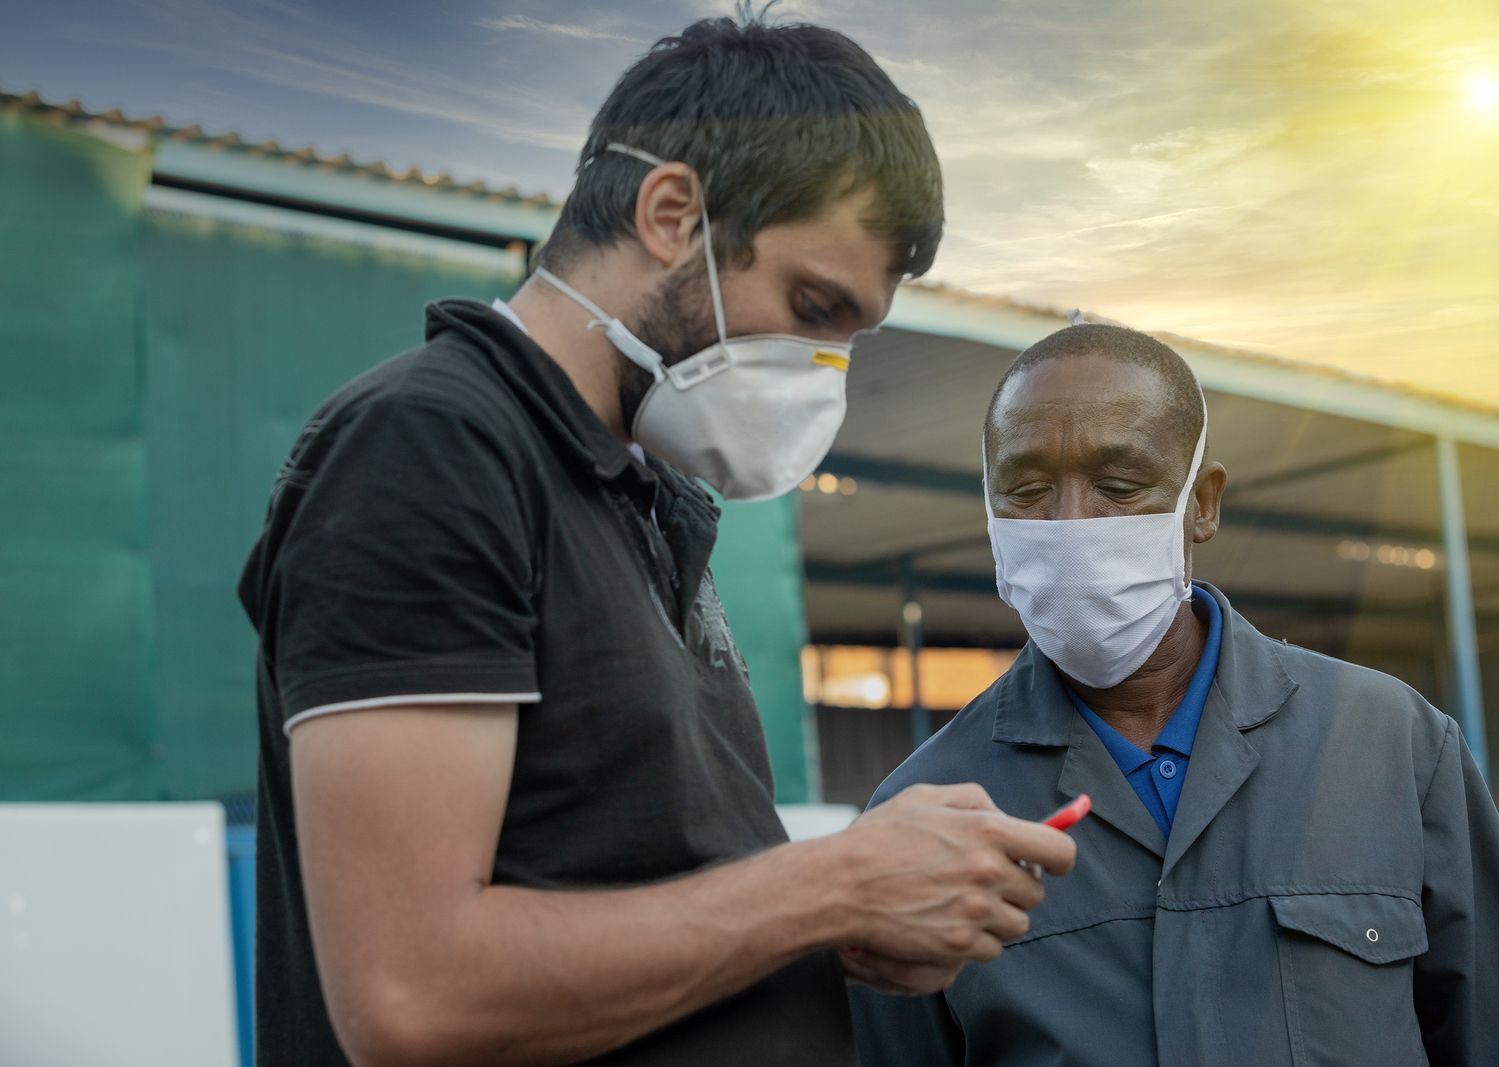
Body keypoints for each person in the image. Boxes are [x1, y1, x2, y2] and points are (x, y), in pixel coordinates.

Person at [236, 13, 1079, 1067]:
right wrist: (838, 879)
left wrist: (843, 921)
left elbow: (641, 890)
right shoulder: (432, 446)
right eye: (810, 305)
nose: (819, 372)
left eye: (845, 340)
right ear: (672, 211)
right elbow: (414, 994)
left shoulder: (636, 494)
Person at [848, 323, 1499, 1066]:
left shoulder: (1392, 746)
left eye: (1120, 486)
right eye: (1027, 490)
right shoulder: (928, 810)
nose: (1070, 525)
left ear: (1202, 503)